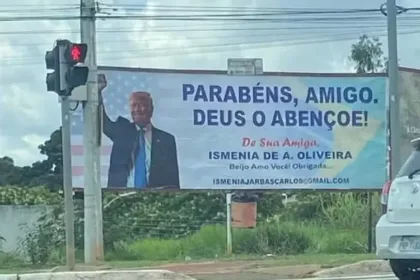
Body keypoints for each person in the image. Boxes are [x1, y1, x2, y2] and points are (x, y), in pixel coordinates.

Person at [98, 74, 180, 189]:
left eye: (142, 105)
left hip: (155, 197)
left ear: (151, 109)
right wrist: (97, 93)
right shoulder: (122, 131)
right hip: (122, 195)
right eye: (134, 105)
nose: (137, 109)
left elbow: (173, 180)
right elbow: (103, 122)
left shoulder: (166, 140)